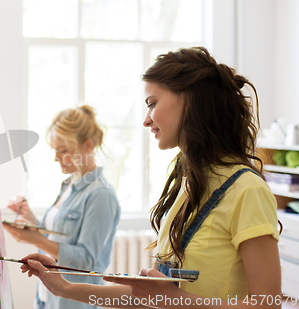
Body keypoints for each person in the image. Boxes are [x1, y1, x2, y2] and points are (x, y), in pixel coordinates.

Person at [20, 47, 282, 308]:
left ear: (191, 100)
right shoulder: (187, 187)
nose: (146, 120)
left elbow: (268, 304)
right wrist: (64, 287)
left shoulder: (246, 190)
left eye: (152, 103)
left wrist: (178, 300)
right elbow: (152, 298)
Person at [3, 105, 121, 309]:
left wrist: (36, 238)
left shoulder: (100, 195)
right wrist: (30, 218)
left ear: (88, 146)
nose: (56, 158)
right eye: (55, 150)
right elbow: (57, 239)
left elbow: (85, 261)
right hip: (47, 298)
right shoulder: (68, 185)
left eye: (63, 150)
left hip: (73, 303)